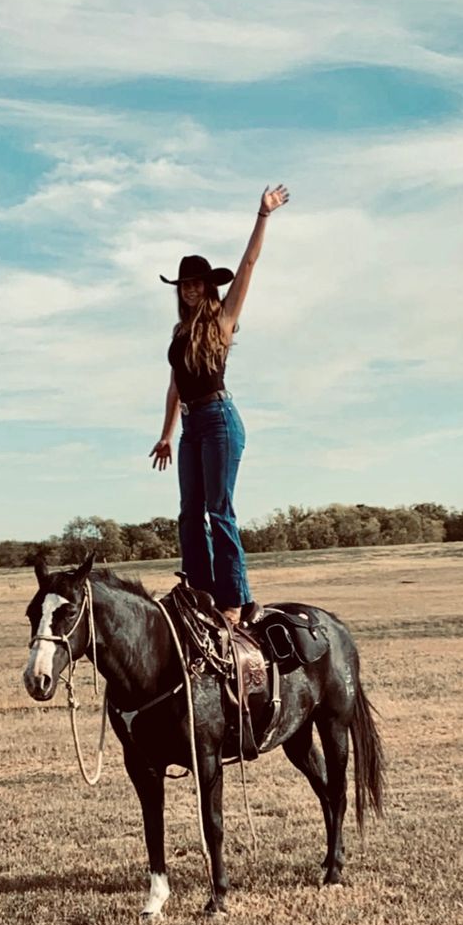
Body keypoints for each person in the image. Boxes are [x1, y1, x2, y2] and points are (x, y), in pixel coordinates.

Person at [150, 184, 289, 625]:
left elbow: (249, 263)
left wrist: (263, 215)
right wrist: (166, 435)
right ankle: (199, 591)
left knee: (218, 509)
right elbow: (175, 387)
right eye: (185, 284)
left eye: (196, 283)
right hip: (191, 426)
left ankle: (234, 599)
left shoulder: (224, 319)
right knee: (189, 513)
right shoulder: (178, 332)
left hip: (220, 421)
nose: (190, 290)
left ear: (208, 285)